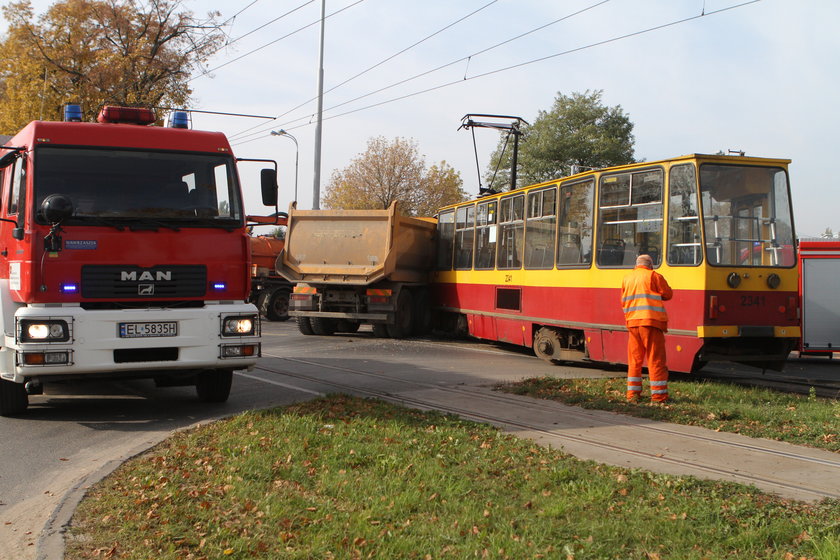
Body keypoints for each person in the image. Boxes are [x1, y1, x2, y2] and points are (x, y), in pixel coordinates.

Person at [621, 254, 673, 403]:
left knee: (635, 360)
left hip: (632, 323)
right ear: (651, 265)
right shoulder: (654, 276)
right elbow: (668, 294)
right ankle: (658, 397)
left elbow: (623, 301)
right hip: (651, 323)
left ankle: (633, 395)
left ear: (636, 264)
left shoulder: (627, 278)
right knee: (655, 359)